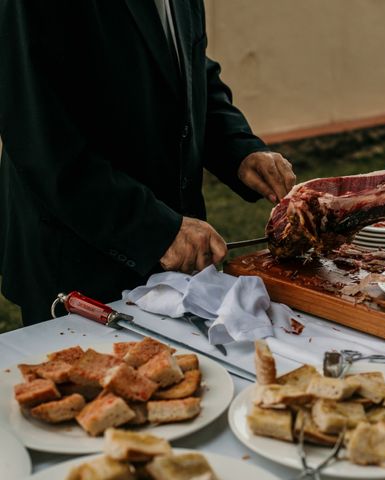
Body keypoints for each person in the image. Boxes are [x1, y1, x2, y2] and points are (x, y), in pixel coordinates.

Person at [0, 0, 296, 326]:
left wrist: (241, 151)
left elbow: (190, 75)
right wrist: (155, 230)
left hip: (178, 268)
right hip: (78, 267)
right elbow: (40, 140)